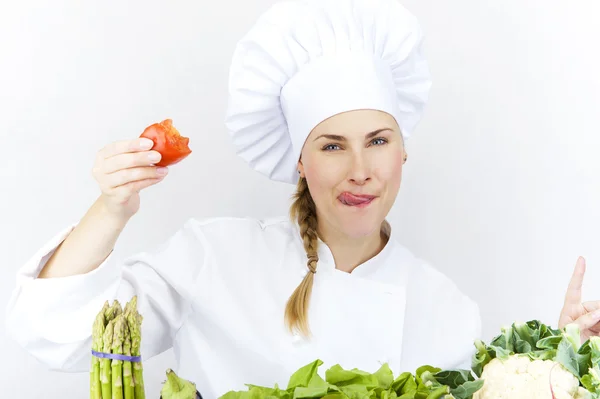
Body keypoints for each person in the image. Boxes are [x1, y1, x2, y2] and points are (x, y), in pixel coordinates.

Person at [5, 0, 600, 398]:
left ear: (403, 150)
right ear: (300, 159)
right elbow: (60, 333)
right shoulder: (212, 257)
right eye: (333, 145)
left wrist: (556, 367)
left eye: (378, 141)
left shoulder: (449, 310)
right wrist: (109, 209)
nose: (361, 171)